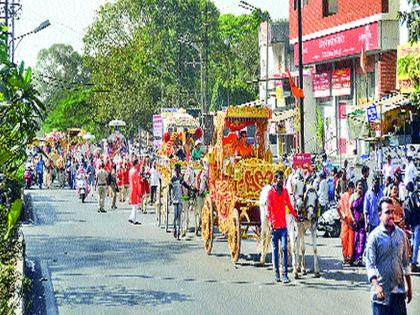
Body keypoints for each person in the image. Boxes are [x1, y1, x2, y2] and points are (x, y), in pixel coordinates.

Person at [366, 197, 412, 314]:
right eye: (387, 212)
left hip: (399, 294)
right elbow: (370, 265)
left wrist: (409, 287)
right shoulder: (374, 237)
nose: (391, 215)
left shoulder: (401, 235)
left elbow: (406, 263)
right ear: (380, 215)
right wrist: (376, 286)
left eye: (392, 212)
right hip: (381, 296)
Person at [266, 170, 299, 283]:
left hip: (283, 226)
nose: (281, 180)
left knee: (284, 248)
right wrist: (270, 222)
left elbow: (289, 205)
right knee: (275, 250)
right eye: (279, 178)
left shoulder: (285, 192)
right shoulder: (270, 193)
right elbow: (269, 210)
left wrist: (295, 215)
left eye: (282, 179)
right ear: (275, 179)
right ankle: (276, 274)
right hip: (275, 226)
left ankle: (285, 274)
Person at [169, 163, 195, 240]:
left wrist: (192, 189)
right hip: (174, 199)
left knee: (179, 215)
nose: (178, 171)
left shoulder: (181, 179)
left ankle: (178, 232)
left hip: (180, 199)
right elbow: (169, 189)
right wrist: (170, 199)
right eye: (177, 170)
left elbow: (186, 186)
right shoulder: (172, 179)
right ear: (175, 170)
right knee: (175, 216)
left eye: (179, 170)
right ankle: (175, 228)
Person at [338, 181, 355, 266]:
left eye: (352, 187)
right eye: (350, 187)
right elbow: (340, 207)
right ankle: (345, 257)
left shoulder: (354, 196)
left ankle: (349, 258)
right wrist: (343, 214)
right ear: (348, 187)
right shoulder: (343, 196)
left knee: (351, 240)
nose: (351, 189)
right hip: (345, 221)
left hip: (352, 221)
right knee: (344, 239)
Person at [405, 181, 420, 272]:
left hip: (412, 221)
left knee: (413, 241)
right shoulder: (415, 195)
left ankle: (411, 260)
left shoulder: (409, 195)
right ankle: (413, 262)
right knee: (416, 242)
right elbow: (418, 205)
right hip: (417, 221)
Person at [350, 180, 366, 266]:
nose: (360, 187)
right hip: (355, 221)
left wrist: (364, 216)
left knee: (362, 240)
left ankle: (359, 258)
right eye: (358, 186)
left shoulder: (365, 197)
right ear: (356, 187)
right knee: (355, 240)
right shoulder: (353, 196)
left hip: (362, 221)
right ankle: (354, 258)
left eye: (361, 186)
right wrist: (353, 219)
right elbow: (350, 209)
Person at [128, 159, 142, 225]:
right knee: (136, 205)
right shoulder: (136, 171)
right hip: (135, 189)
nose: (138, 164)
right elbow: (137, 182)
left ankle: (132, 217)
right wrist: (139, 191)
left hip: (131, 188)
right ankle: (134, 219)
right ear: (135, 164)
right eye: (137, 163)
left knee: (134, 205)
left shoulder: (130, 170)